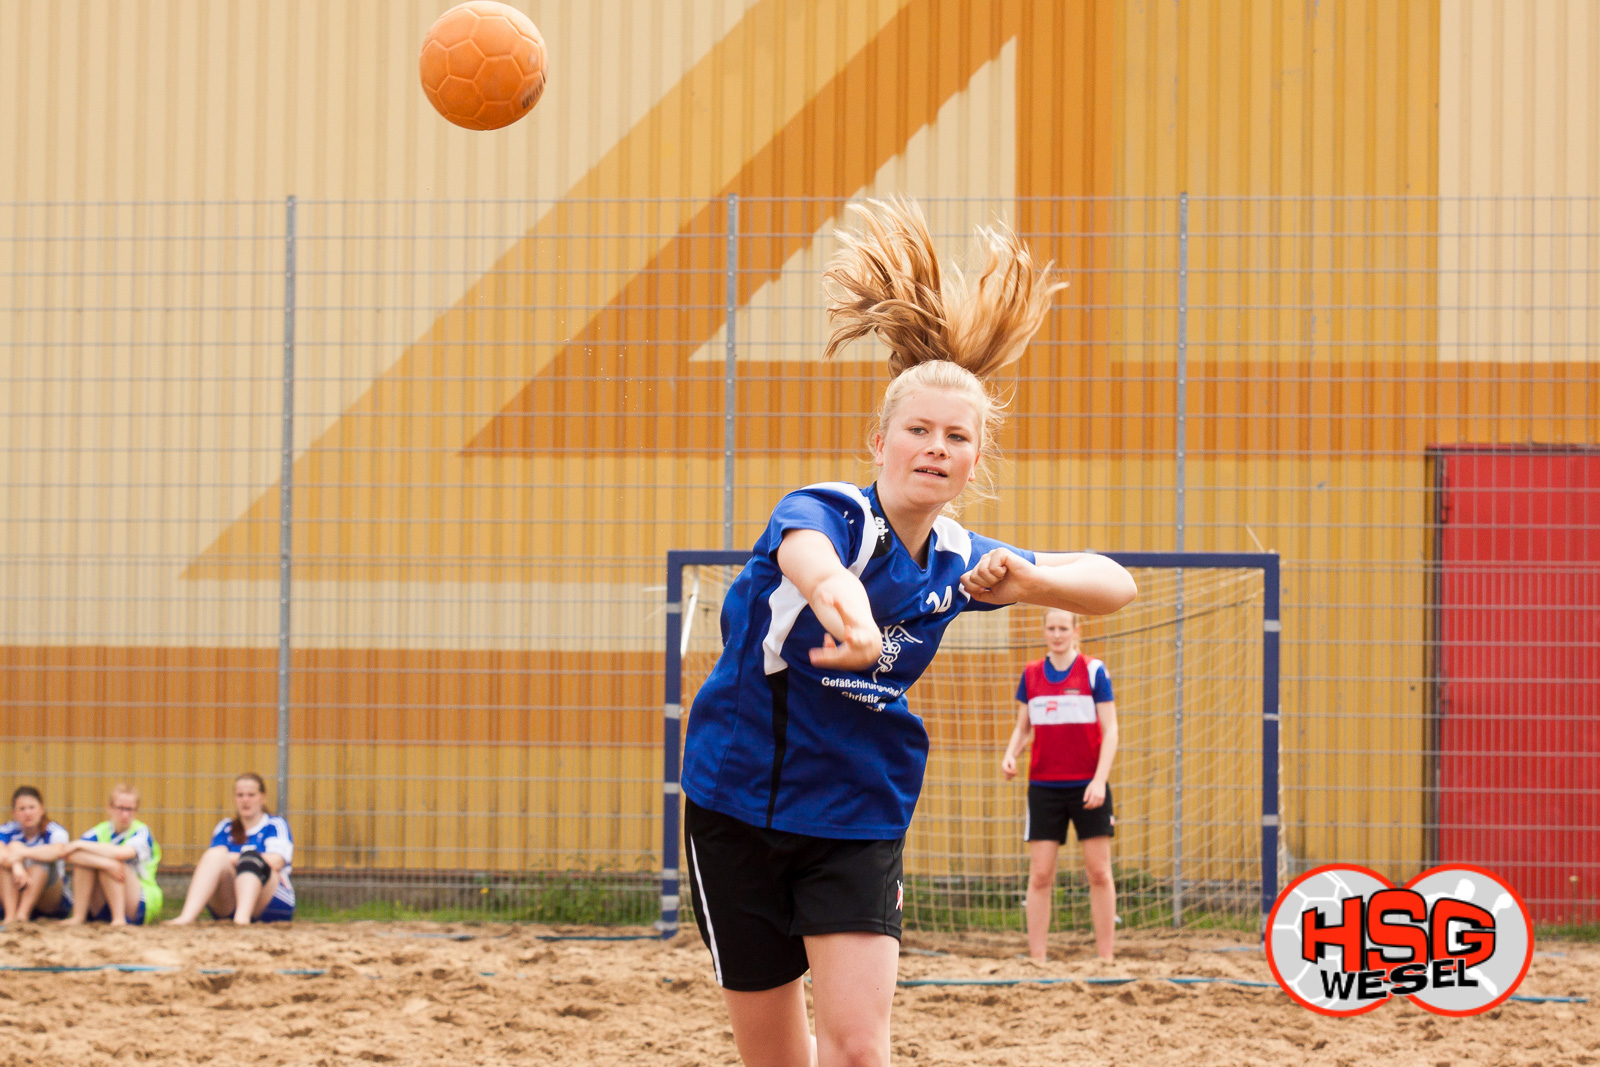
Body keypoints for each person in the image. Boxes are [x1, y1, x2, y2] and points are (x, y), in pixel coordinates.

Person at [679, 199, 1137, 1067]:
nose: (936, 446)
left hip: (857, 812)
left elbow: (1116, 582)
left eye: (956, 436)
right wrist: (847, 619)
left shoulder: (965, 555)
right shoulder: (827, 510)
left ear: (975, 458)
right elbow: (816, 565)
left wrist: (1032, 578)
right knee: (777, 1058)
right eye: (918, 430)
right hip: (737, 804)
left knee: (858, 1050)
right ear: (879, 440)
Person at [1001, 608, 1120, 963]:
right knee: (1040, 875)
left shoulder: (1094, 671)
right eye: (1051, 628)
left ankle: (1106, 959)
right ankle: (1037, 959)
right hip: (1044, 787)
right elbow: (1025, 727)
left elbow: (1111, 730)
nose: (1056, 634)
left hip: (1088, 785)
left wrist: (1099, 780)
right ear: (1044, 632)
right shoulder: (1032, 674)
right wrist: (1011, 754)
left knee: (1099, 872)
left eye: (1063, 628)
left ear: (1075, 630)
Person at [167, 773, 295, 925]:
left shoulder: (275, 824)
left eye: (251, 795)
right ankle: (186, 918)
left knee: (251, 860)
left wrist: (240, 858)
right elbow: (215, 862)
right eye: (240, 795)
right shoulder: (225, 827)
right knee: (214, 856)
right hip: (229, 900)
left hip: (271, 902)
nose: (245, 800)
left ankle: (241, 921)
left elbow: (276, 861)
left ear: (263, 797)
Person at [63, 784, 164, 926]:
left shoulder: (141, 831)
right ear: (110, 808)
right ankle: (78, 917)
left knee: (115, 863)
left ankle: (119, 919)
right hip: (104, 899)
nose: (125, 814)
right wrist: (105, 864)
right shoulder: (100, 831)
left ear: (136, 811)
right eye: (120, 808)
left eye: (130, 809)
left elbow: (123, 853)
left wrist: (81, 845)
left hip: (140, 901)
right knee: (89, 863)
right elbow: (68, 854)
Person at [0, 786, 74, 923]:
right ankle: (10, 917)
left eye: (31, 807)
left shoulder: (55, 831)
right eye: (22, 809)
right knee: (5, 860)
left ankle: (22, 915)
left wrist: (23, 852)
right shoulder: (6, 830)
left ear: (42, 809)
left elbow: (58, 851)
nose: (27, 813)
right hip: (16, 888)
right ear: (14, 813)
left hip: (51, 900)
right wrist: (16, 864)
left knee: (40, 861)